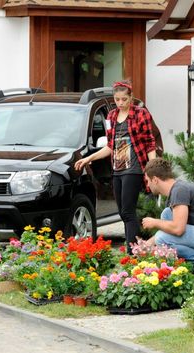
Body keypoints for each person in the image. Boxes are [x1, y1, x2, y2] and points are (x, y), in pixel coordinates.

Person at [74, 80, 156, 249]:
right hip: (117, 169)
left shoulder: (141, 114)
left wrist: (152, 169)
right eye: (117, 99)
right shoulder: (111, 116)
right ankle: (134, 247)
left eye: (124, 99)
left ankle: (132, 250)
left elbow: (150, 143)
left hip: (134, 168)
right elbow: (110, 146)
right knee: (122, 213)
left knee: (127, 211)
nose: (120, 103)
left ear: (130, 97)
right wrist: (88, 158)